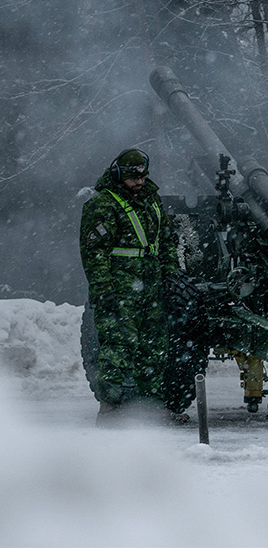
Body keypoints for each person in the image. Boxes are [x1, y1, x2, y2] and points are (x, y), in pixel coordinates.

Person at [79, 148, 180, 425]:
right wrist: (103, 289)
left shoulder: (152, 201)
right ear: (118, 176)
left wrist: (170, 274)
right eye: (133, 178)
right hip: (119, 288)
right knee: (117, 348)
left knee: (154, 349)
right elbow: (94, 252)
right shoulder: (103, 204)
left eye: (143, 177)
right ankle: (109, 407)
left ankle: (151, 406)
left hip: (151, 287)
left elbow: (167, 242)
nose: (139, 182)